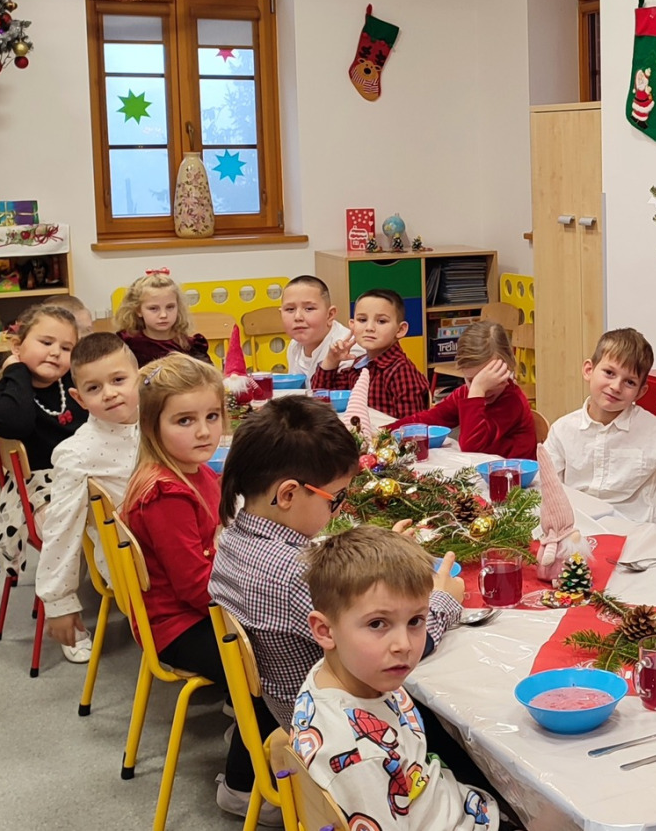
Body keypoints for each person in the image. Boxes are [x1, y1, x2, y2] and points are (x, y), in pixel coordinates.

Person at [210, 397, 465, 731]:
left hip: (287, 711)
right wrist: (444, 601)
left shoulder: (233, 538)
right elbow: (389, 649)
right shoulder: (296, 576)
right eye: (337, 497)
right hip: (346, 726)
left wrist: (381, 554)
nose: (341, 509)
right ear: (288, 495)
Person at [116, 354, 267, 822]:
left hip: (191, 612)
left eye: (212, 416)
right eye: (185, 421)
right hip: (178, 625)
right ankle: (242, 787)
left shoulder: (195, 471)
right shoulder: (166, 494)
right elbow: (196, 589)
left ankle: (249, 727)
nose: (204, 432)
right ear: (151, 426)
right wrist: (258, 600)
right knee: (272, 663)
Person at [293, 526, 501, 830]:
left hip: (445, 799)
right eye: (378, 624)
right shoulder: (359, 760)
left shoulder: (347, 673)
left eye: (416, 620)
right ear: (325, 631)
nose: (404, 645)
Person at [541, 328, 656, 540]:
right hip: (576, 534)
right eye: (609, 373)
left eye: (630, 382)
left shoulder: (654, 429)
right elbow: (548, 488)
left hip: (633, 539)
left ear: (640, 392)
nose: (616, 387)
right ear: (589, 370)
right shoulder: (563, 430)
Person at [34, 332, 141, 664]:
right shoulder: (77, 454)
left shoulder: (157, 421)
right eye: (94, 388)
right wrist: (59, 602)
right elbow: (60, 529)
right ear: (79, 399)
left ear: (139, 378)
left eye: (119, 380)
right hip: (137, 566)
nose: (109, 393)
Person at [0, 304, 87, 578]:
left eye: (66, 348)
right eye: (46, 342)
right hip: (37, 494)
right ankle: (60, 593)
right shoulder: (0, 395)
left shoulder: (75, 384)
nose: (56, 352)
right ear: (17, 346)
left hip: (82, 481)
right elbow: (17, 423)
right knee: (82, 523)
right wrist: (16, 370)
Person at [391, 321, 536, 459]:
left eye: (487, 379)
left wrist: (477, 391)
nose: (484, 389)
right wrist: (384, 431)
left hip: (514, 475)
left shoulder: (512, 401)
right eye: (472, 380)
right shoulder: (467, 392)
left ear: (507, 367)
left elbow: (471, 449)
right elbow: (430, 419)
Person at [309, 288, 430, 420]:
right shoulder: (359, 364)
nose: (369, 328)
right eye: (362, 320)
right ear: (352, 325)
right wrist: (331, 360)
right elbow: (321, 399)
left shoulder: (401, 372)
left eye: (381, 321)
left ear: (400, 330)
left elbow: (412, 425)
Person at [114, 270, 211, 366]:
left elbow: (208, 375)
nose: (163, 315)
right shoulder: (127, 344)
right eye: (153, 308)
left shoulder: (191, 346)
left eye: (170, 307)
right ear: (138, 310)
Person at [281, 274, 354, 380]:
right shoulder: (294, 345)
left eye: (309, 309)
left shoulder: (346, 347)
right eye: (290, 309)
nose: (298, 317)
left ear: (330, 315)